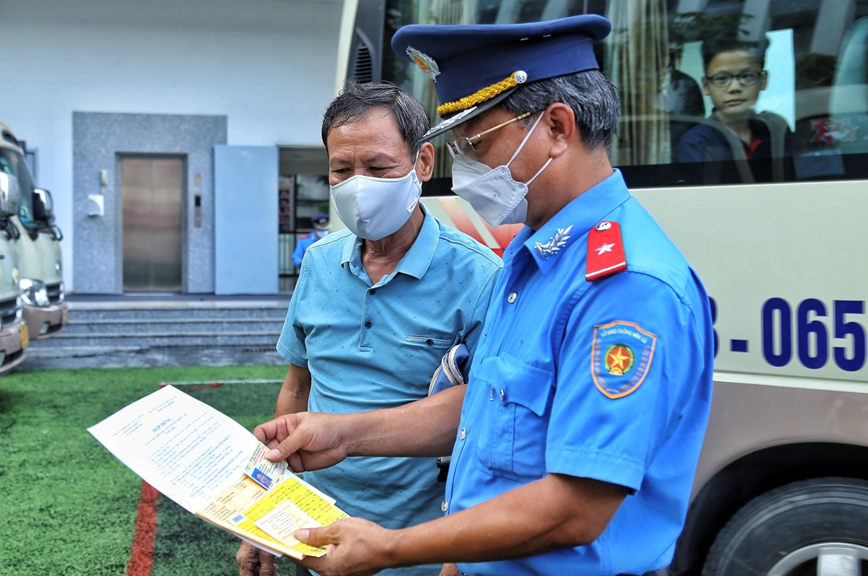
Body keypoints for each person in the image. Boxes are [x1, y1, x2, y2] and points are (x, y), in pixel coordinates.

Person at [255, 15, 714, 576]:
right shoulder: (533, 256)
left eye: (476, 144)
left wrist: (395, 548)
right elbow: (482, 407)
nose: (464, 169)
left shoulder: (626, 286)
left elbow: (576, 510)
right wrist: (344, 432)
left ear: (557, 127)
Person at [236, 81, 503, 576]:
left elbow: (489, 421)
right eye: (342, 169)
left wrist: (456, 557)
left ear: (423, 163)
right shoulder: (317, 264)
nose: (358, 185)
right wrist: (267, 513)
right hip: (314, 537)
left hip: (417, 549)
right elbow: (297, 389)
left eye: (378, 168)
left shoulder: (480, 276)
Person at [676, 38, 794, 181]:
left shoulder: (775, 129)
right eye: (722, 78)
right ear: (706, 86)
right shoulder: (697, 143)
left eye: (747, 76)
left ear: (763, 80)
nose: (735, 88)